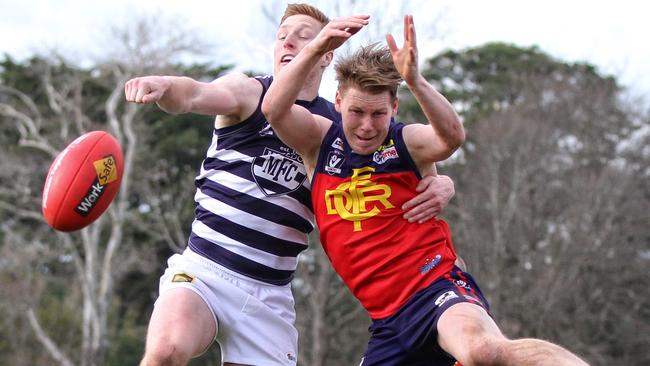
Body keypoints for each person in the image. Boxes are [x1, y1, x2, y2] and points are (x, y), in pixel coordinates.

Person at [124, 4, 457, 366]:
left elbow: (407, 156)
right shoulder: (248, 93)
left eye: (303, 36)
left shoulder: (341, 125)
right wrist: (164, 86)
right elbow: (192, 94)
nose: (289, 42)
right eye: (282, 37)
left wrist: (443, 184)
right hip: (206, 270)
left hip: (270, 294)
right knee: (166, 350)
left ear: (327, 54)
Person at [262, 13, 590, 366]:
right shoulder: (320, 142)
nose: (367, 126)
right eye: (357, 112)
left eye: (378, 114)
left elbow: (451, 138)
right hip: (388, 323)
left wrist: (415, 79)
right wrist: (317, 47)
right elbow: (274, 109)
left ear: (394, 108)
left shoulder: (406, 142)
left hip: (436, 288)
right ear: (339, 101)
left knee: (482, 350)